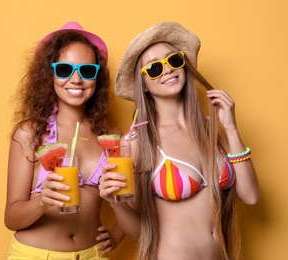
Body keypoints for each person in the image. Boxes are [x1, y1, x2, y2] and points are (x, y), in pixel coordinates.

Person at [99, 21, 260, 260]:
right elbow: (140, 232)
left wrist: (231, 128)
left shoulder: (211, 127)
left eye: (173, 60)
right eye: (154, 68)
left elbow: (250, 195)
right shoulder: (135, 142)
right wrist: (115, 203)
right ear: (141, 85)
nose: (167, 70)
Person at [5, 21, 125, 259]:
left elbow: (131, 198)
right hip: (36, 254)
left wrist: (118, 234)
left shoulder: (109, 133)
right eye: (64, 70)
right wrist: (42, 201)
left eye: (87, 70)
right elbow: (11, 217)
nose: (76, 79)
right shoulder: (30, 134)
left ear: (96, 77)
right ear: (49, 74)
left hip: (92, 254)